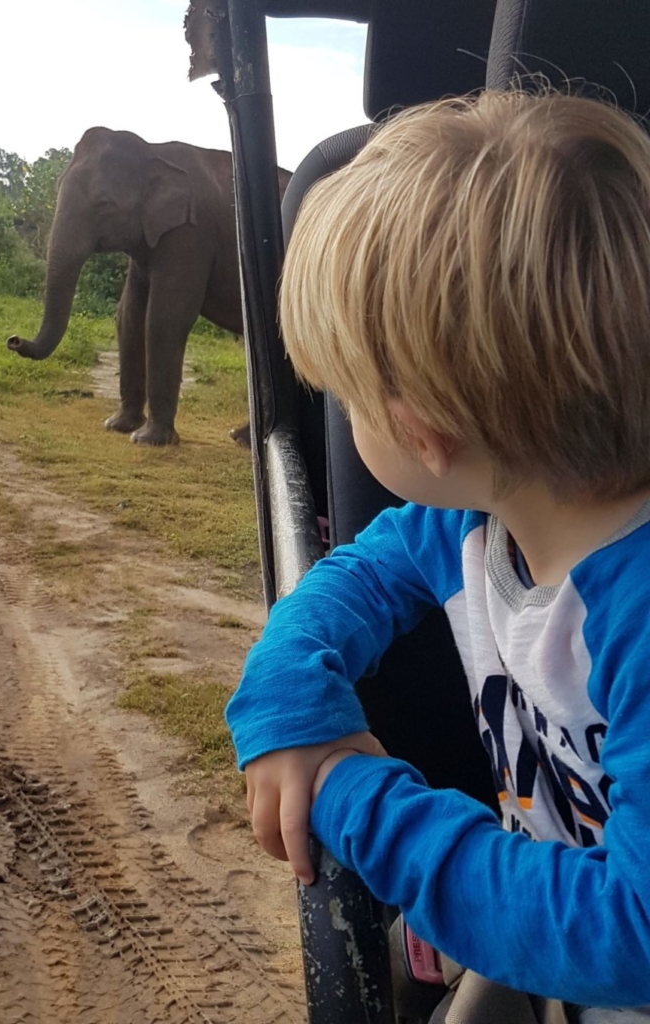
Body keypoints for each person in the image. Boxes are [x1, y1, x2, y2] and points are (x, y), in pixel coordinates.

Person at [225, 90, 650, 1017]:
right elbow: (350, 581)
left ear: (419, 434)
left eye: (347, 396)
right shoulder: (476, 524)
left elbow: (634, 927)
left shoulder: (637, 613)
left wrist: (348, 795)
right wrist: (290, 698)